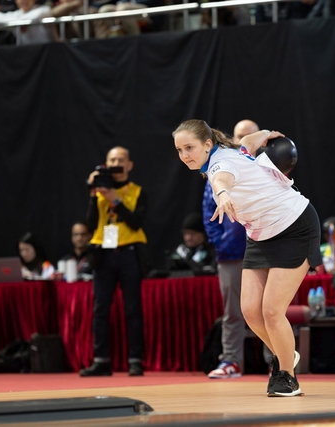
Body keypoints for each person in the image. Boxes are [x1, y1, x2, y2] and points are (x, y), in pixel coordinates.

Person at [173, 119, 322, 397]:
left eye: (189, 148)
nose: (184, 155)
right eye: (179, 150)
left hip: (294, 227)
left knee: (271, 311)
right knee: (251, 311)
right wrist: (267, 133)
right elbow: (248, 142)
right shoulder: (232, 150)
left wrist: (222, 194)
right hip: (260, 234)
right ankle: (286, 353)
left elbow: (222, 179)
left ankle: (287, 375)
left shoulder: (219, 164)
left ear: (208, 144)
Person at [80, 146, 148, 377]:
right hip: (103, 254)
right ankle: (101, 360)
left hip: (129, 253)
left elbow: (136, 223)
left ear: (129, 165)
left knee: (132, 309)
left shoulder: (137, 191)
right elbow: (90, 224)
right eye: (112, 160)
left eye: (121, 160)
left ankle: (135, 360)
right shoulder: (98, 192)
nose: (116, 164)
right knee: (100, 309)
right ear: (106, 164)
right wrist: (93, 195)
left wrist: (116, 200)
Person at [202, 119, 257, 380]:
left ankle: (277, 361)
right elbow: (208, 211)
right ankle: (231, 361)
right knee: (232, 311)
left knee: (267, 309)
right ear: (232, 139)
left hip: (264, 249)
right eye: (238, 136)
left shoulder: (268, 166)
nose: (242, 140)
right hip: (231, 254)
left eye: (248, 136)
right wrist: (221, 241)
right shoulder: (218, 168)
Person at [0, 0, 81, 45]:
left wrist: (19, 23)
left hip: (47, 52)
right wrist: (18, 23)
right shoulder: (15, 15)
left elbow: (39, 14)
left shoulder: (43, 10)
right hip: (26, 54)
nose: (24, 1)